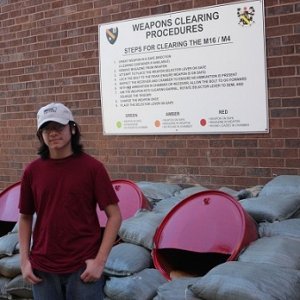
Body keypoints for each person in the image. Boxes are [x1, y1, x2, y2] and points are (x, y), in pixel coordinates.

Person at [18, 102, 122, 300]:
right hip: (43, 269)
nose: (52, 133)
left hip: (83, 268)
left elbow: (115, 216)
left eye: (58, 127)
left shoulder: (93, 168)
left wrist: (99, 262)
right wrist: (24, 261)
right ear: (40, 135)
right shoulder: (32, 171)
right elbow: (24, 217)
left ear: (72, 129)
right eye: (46, 129)